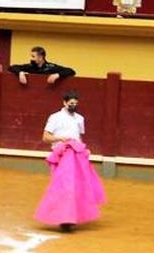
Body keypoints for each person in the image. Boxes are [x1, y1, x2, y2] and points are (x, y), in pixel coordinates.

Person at [36, 92, 105, 232]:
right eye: (71, 103)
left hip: (76, 154)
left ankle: (69, 218)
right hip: (61, 155)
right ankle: (64, 218)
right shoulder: (55, 117)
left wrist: (84, 151)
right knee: (64, 186)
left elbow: (78, 137)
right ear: (64, 103)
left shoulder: (80, 119)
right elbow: (45, 137)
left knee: (77, 185)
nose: (73, 106)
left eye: (75, 104)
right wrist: (60, 138)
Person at [10, 46, 75, 85]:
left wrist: (57, 75)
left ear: (40, 57)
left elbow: (71, 71)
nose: (31, 58)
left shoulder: (51, 67)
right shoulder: (30, 66)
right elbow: (12, 67)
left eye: (33, 56)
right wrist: (20, 73)